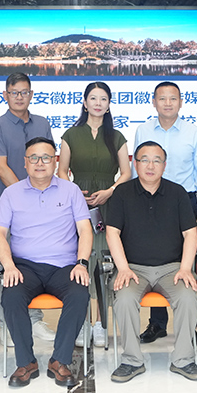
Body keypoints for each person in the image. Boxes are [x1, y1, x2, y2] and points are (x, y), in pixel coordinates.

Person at [0, 138, 93, 389]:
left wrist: (81, 263)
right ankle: (26, 362)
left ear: (55, 161)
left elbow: (85, 229)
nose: (40, 163)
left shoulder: (71, 190)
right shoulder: (11, 193)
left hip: (64, 266)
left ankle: (60, 360)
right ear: (25, 163)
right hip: (24, 267)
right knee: (11, 294)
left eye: (46, 157)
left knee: (79, 293)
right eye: (34, 158)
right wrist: (9, 266)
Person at [105, 141, 197, 382]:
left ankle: (183, 360)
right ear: (135, 163)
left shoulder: (177, 193)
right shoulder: (122, 193)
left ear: (165, 165)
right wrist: (123, 269)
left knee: (187, 297)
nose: (150, 166)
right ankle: (132, 361)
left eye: (157, 160)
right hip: (133, 269)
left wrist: (185, 268)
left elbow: (190, 234)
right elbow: (112, 232)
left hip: (171, 268)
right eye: (145, 160)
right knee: (124, 299)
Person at [131, 81, 197, 343]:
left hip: (184, 199)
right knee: (156, 258)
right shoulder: (143, 130)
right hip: (149, 198)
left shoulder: (194, 132)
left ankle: (189, 325)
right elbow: (137, 168)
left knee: (185, 259)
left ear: (181, 102)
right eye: (162, 98)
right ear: (153, 102)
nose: (167, 103)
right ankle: (157, 324)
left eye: (172, 98)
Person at [58, 81, 131, 347]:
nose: (98, 103)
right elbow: (61, 171)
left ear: (109, 104)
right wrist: (74, 193)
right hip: (76, 203)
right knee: (81, 259)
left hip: (109, 204)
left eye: (103, 99)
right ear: (85, 102)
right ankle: (82, 323)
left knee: (104, 262)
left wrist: (110, 191)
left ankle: (101, 323)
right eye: (93, 98)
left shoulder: (117, 136)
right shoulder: (70, 134)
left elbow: (126, 173)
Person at [0, 72, 56, 343]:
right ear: (5, 95)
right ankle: (7, 324)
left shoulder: (42, 123)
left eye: (24, 92)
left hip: (44, 205)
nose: (19, 97)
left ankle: (35, 320)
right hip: (12, 206)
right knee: (9, 262)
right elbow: (0, 166)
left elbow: (48, 160)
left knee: (35, 262)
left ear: (31, 94)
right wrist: (25, 194)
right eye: (14, 92)